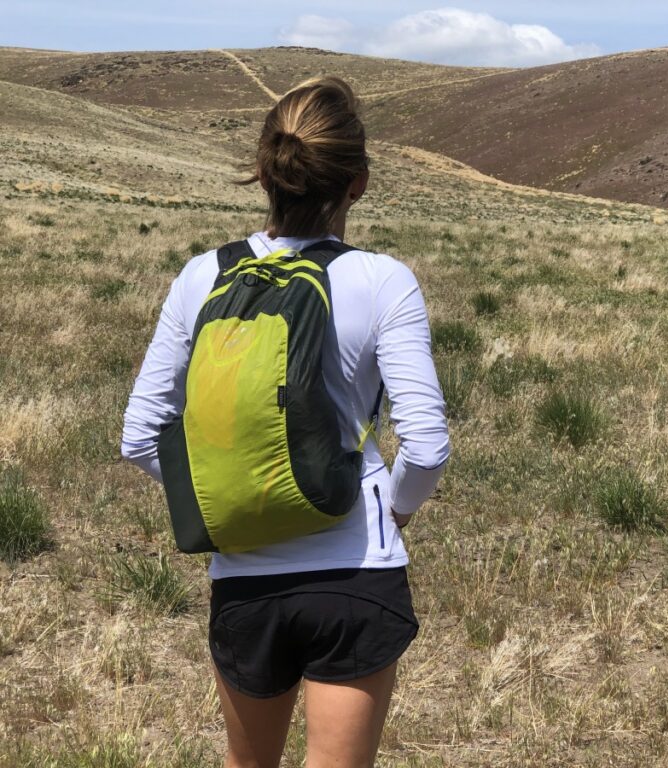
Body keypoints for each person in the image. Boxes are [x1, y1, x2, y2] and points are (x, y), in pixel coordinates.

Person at [121, 76, 450, 768]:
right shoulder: (383, 280)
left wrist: (220, 494)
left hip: (243, 573)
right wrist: (394, 512)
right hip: (356, 568)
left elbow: (140, 434)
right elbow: (424, 446)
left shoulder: (200, 276)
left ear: (265, 173)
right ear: (357, 183)